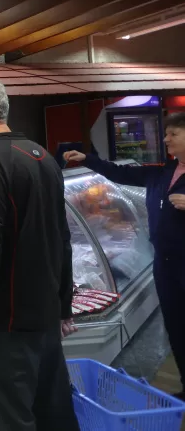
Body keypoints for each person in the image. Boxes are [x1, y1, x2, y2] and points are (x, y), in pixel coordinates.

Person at [0, 81, 79, 431]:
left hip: (1, 332)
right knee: (49, 418)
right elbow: (61, 237)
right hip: (43, 324)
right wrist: (63, 306)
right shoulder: (40, 156)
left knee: (0, 420)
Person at [65, 111, 185, 401]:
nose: (166, 138)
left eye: (174, 134)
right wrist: (89, 160)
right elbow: (125, 174)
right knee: (177, 327)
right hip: (165, 264)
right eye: (167, 133)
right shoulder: (166, 171)